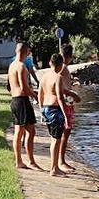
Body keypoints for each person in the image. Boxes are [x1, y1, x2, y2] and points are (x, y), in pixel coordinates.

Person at [37, 53, 79, 177]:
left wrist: (41, 111)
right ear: (61, 65)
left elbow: (40, 94)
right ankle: (54, 169)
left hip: (45, 108)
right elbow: (60, 98)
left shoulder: (44, 77)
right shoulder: (58, 77)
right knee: (57, 140)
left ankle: (54, 166)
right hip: (55, 110)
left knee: (53, 139)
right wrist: (65, 114)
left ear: (50, 63)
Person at [9, 42, 42, 170]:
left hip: (15, 100)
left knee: (21, 131)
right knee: (29, 132)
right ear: (26, 51)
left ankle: (20, 161)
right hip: (22, 101)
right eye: (29, 51)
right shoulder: (22, 66)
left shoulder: (12, 66)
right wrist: (35, 96)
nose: (29, 53)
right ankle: (29, 161)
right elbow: (24, 87)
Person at [57, 44, 83, 173]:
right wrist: (73, 94)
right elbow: (59, 86)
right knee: (65, 134)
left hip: (63, 102)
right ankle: (61, 161)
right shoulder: (63, 68)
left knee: (63, 134)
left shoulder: (60, 67)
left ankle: (61, 161)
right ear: (70, 56)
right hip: (66, 104)